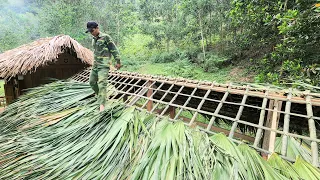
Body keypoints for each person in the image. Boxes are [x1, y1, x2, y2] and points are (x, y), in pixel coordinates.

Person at [86, 21, 121, 111]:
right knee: (92, 82)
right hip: (95, 65)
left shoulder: (105, 37)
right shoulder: (93, 39)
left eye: (92, 30)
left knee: (102, 84)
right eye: (90, 31)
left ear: (97, 28)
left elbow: (114, 49)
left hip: (104, 65)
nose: (91, 33)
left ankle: (102, 105)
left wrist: (118, 61)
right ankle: (101, 97)